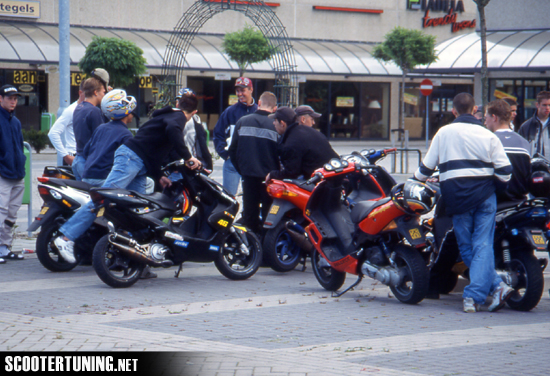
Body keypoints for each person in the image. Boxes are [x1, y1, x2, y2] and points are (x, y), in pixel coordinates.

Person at [54, 90, 202, 265]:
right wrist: (188, 157)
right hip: (131, 159)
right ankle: (65, 238)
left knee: (138, 210)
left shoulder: (165, 116)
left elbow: (151, 150)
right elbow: (171, 132)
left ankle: (134, 258)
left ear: (178, 104)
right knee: (102, 198)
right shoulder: (177, 118)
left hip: (138, 163)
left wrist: (159, 176)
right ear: (194, 113)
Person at [413, 93, 514, 313]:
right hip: (485, 198)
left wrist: (413, 182)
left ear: (453, 110)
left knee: (467, 247)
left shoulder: (444, 133)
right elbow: (506, 172)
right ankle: (497, 287)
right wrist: (492, 188)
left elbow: (425, 170)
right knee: (482, 246)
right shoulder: (488, 134)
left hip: (458, 200)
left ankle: (474, 296)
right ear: (475, 109)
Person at [228, 91, 279, 235]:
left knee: (250, 215)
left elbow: (233, 151)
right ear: (274, 108)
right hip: (270, 179)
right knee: (269, 215)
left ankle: (251, 247)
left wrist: (242, 170)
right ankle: (266, 245)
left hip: (248, 176)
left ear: (259, 103)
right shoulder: (276, 125)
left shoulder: (243, 121)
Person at [81, 89, 137, 187]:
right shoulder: (126, 134)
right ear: (126, 112)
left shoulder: (100, 128)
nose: (132, 115)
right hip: (105, 178)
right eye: (131, 112)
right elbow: (127, 162)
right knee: (148, 183)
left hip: (87, 177)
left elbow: (86, 151)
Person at [267, 106, 338, 181]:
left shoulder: (292, 142)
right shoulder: (305, 131)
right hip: (334, 173)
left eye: (275, 120)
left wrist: (272, 175)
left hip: (325, 181)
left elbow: (291, 173)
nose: (273, 123)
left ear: (282, 123)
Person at [213, 77, 257, 195]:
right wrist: (225, 154)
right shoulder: (229, 112)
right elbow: (218, 133)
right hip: (232, 161)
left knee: (251, 199)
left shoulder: (258, 111)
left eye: (242, 90)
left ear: (251, 89)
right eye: (237, 91)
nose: (239, 94)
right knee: (228, 197)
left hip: (253, 163)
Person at [485, 99, 530, 202]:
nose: (485, 121)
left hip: (495, 201)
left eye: (486, 117)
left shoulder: (488, 141)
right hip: (519, 202)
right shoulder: (524, 142)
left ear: (494, 118)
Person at [0, 85, 25, 263]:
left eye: (15, 98)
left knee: (11, 214)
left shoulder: (15, 122)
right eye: (9, 98)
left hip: (17, 174)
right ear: (0, 99)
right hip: (3, 174)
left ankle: (4, 247)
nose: (13, 101)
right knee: (0, 212)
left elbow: (20, 146)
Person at [167, 88, 213, 175]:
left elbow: (201, 146)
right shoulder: (173, 121)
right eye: (179, 101)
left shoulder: (196, 120)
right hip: (177, 166)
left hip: (193, 165)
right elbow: (173, 144)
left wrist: (207, 165)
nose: (179, 104)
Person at [72, 76, 107, 180]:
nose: (104, 95)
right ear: (96, 92)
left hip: (77, 160)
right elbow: (100, 140)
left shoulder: (78, 108)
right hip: (87, 161)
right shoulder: (94, 111)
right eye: (103, 92)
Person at [48, 83, 85, 166]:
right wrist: (66, 156)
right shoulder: (71, 110)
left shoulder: (91, 110)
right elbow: (53, 133)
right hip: (73, 155)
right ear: (80, 93)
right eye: (87, 94)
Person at [518, 91, 550, 157]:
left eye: (549, 105)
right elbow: (520, 150)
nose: (547, 108)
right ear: (537, 105)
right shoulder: (526, 126)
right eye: (544, 105)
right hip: (531, 166)